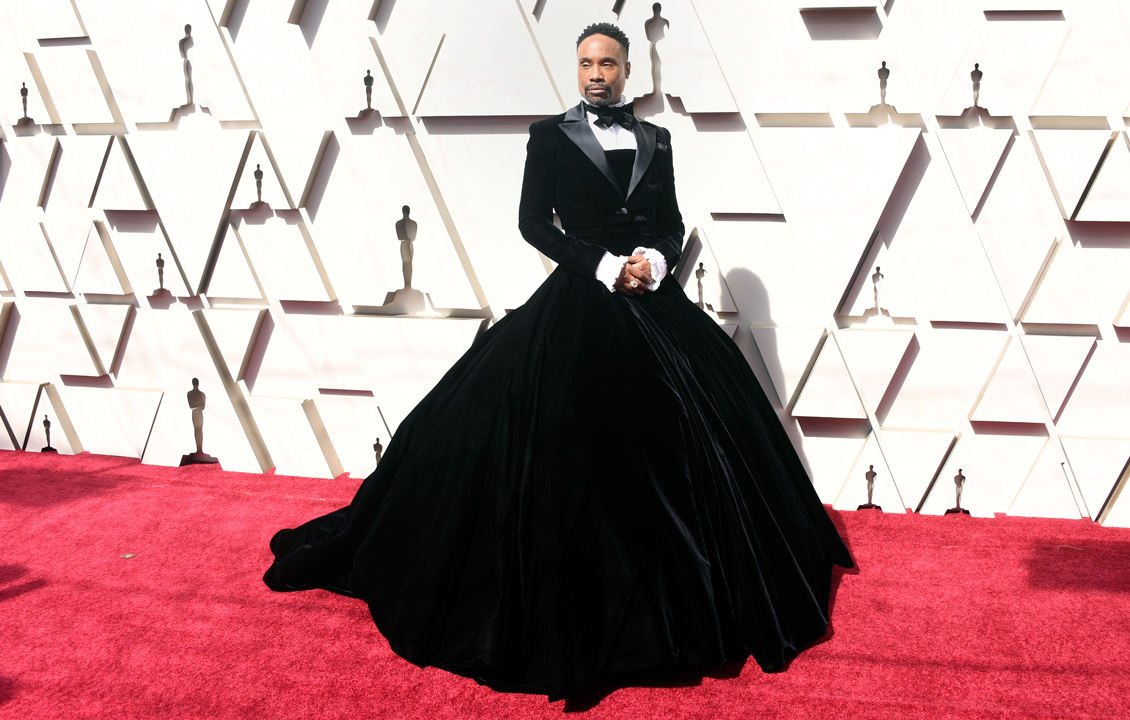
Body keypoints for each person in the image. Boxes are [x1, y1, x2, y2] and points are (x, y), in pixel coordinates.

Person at [262, 21, 852, 701]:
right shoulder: (548, 137)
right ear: (578, 70)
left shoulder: (657, 140)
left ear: (627, 70)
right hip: (581, 293)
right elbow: (533, 222)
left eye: (609, 64)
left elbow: (668, 222)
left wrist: (654, 260)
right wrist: (603, 265)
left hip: (653, 297)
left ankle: (691, 609)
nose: (597, 74)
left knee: (695, 436)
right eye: (586, 64)